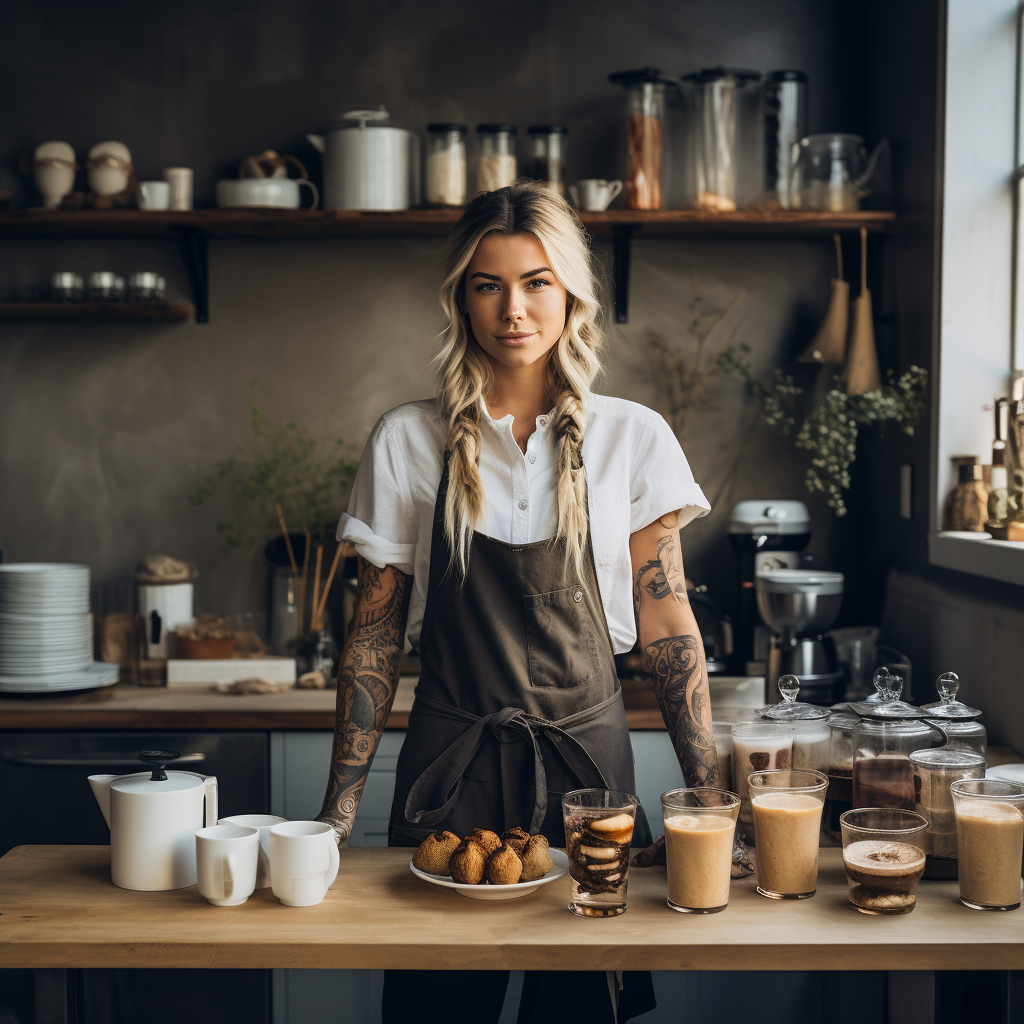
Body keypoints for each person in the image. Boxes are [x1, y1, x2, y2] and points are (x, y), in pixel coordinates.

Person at [317, 182, 717, 1024]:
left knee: (578, 1010)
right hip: (447, 770)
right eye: (487, 284)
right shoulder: (408, 439)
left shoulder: (632, 439)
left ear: (570, 292)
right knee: (434, 1008)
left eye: (537, 281)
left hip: (588, 780)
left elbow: (669, 625)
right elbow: (376, 637)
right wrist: (337, 813)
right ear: (461, 298)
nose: (514, 309)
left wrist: (708, 796)